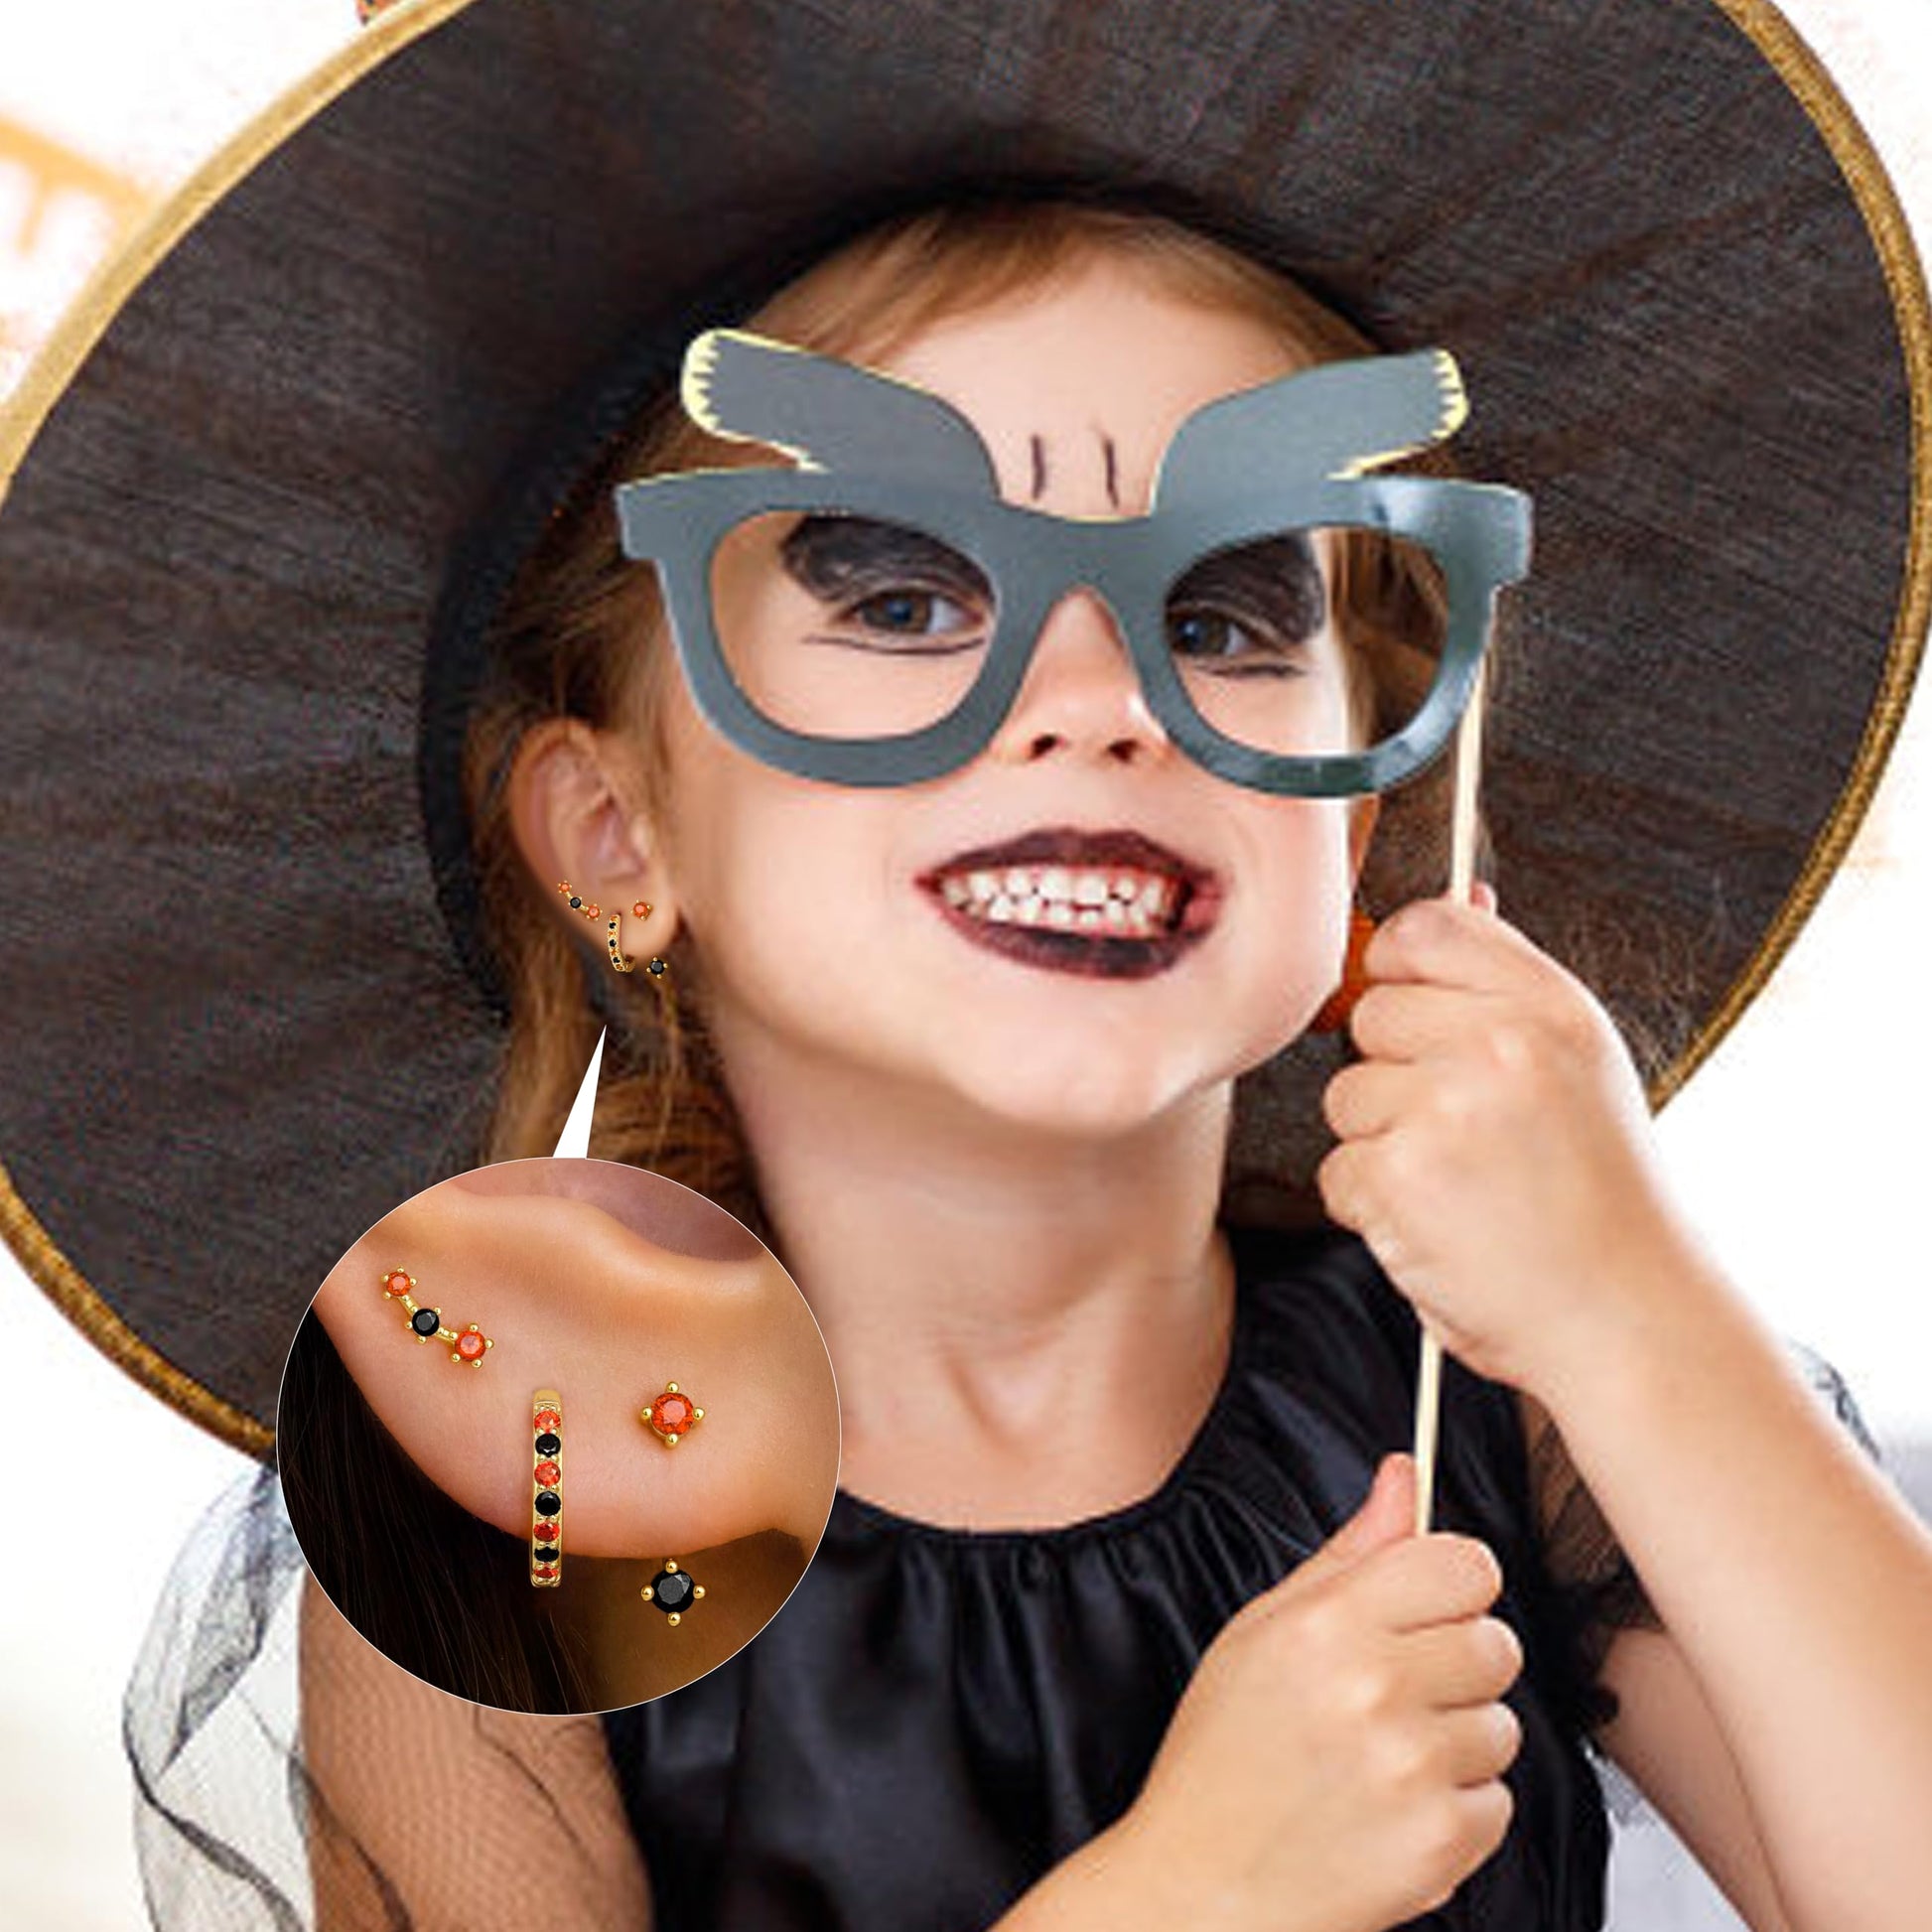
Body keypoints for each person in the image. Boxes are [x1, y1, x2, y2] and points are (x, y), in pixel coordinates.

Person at [2, 3, 1927, 1929]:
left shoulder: (1504, 1404)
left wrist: (1631, 1307)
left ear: (1350, 828)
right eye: (910, 594)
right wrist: (1185, 1896)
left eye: (1225, 613)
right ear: (615, 838)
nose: (1098, 700)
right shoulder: (511, 1506)